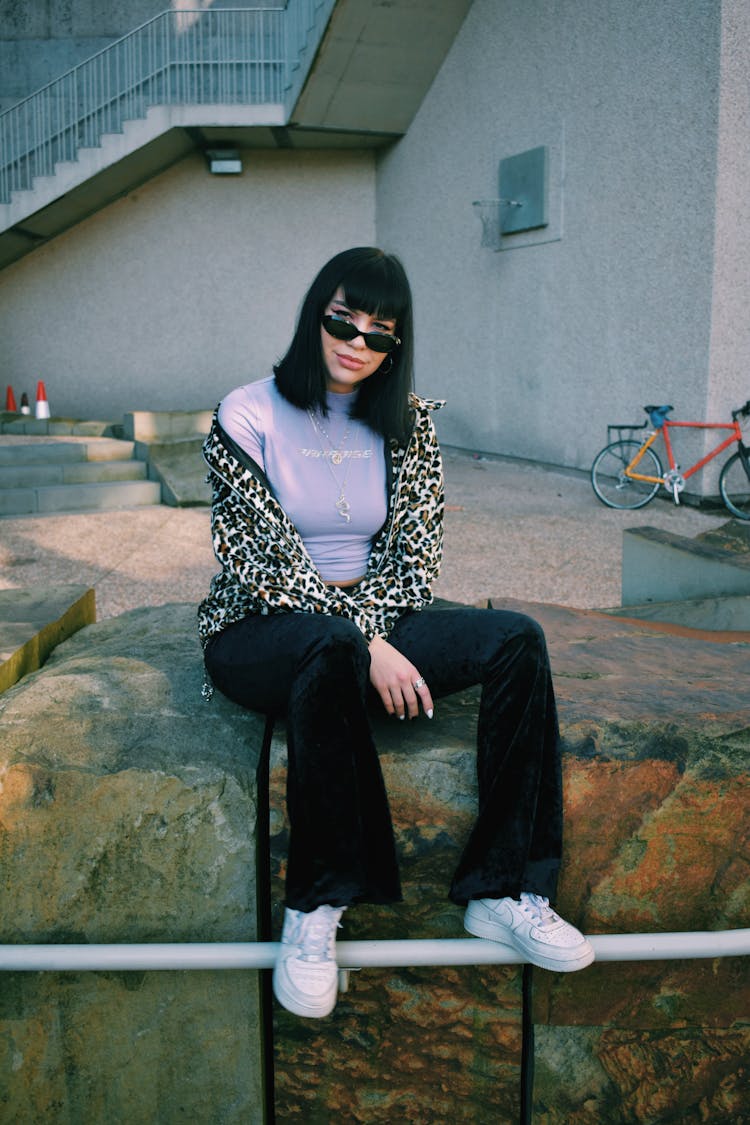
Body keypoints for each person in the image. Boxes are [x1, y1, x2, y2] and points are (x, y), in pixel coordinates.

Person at [198, 246, 594, 1019]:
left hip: (375, 618)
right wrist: (369, 644)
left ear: (395, 348)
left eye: (380, 332)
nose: (357, 342)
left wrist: (373, 632)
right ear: (317, 311)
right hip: (260, 626)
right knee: (329, 644)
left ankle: (506, 887)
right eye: (344, 319)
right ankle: (316, 908)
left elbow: (416, 559)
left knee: (516, 638)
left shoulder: (408, 424)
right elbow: (257, 556)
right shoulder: (244, 412)